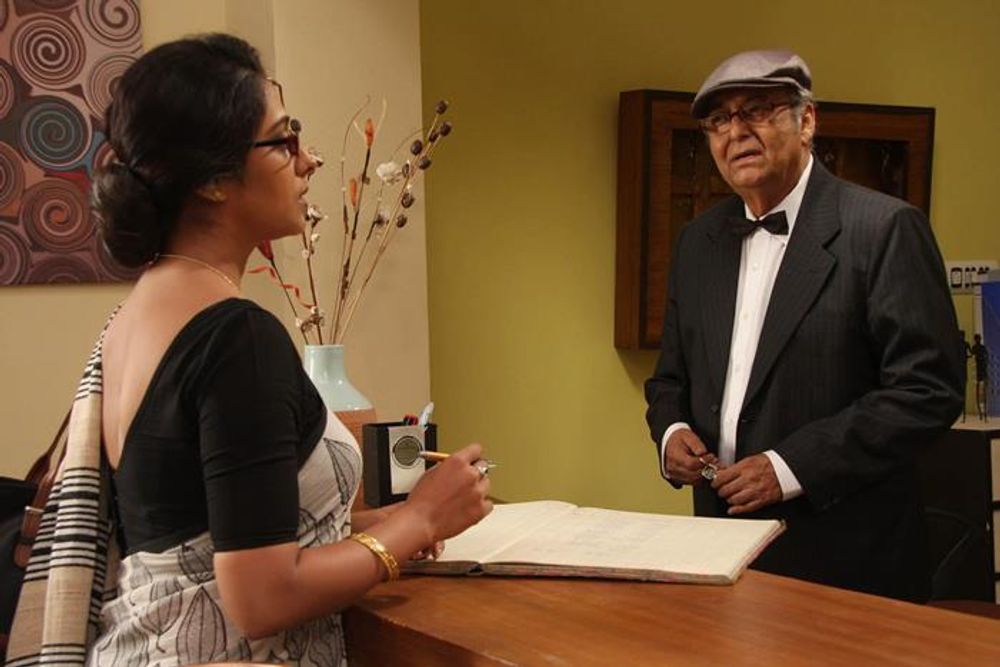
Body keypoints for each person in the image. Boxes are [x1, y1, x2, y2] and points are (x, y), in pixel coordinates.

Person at [6, 34, 492, 666]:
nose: (309, 160)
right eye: (283, 141)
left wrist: (375, 529)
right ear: (213, 180)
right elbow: (261, 598)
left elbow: (202, 530)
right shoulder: (236, 337)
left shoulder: (138, 312)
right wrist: (420, 518)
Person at [644, 49, 964, 601]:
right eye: (719, 119)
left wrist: (790, 467)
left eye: (756, 111)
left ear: (807, 121)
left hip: (847, 560)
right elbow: (670, 377)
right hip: (721, 551)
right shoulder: (697, 241)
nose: (736, 132)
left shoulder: (884, 229)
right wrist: (670, 432)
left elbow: (927, 390)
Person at [970, 333, 989, 420]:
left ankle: (983, 413)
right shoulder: (978, 348)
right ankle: (981, 413)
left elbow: (971, 355)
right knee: (980, 392)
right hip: (980, 371)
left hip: (981, 370)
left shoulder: (980, 348)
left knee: (982, 392)